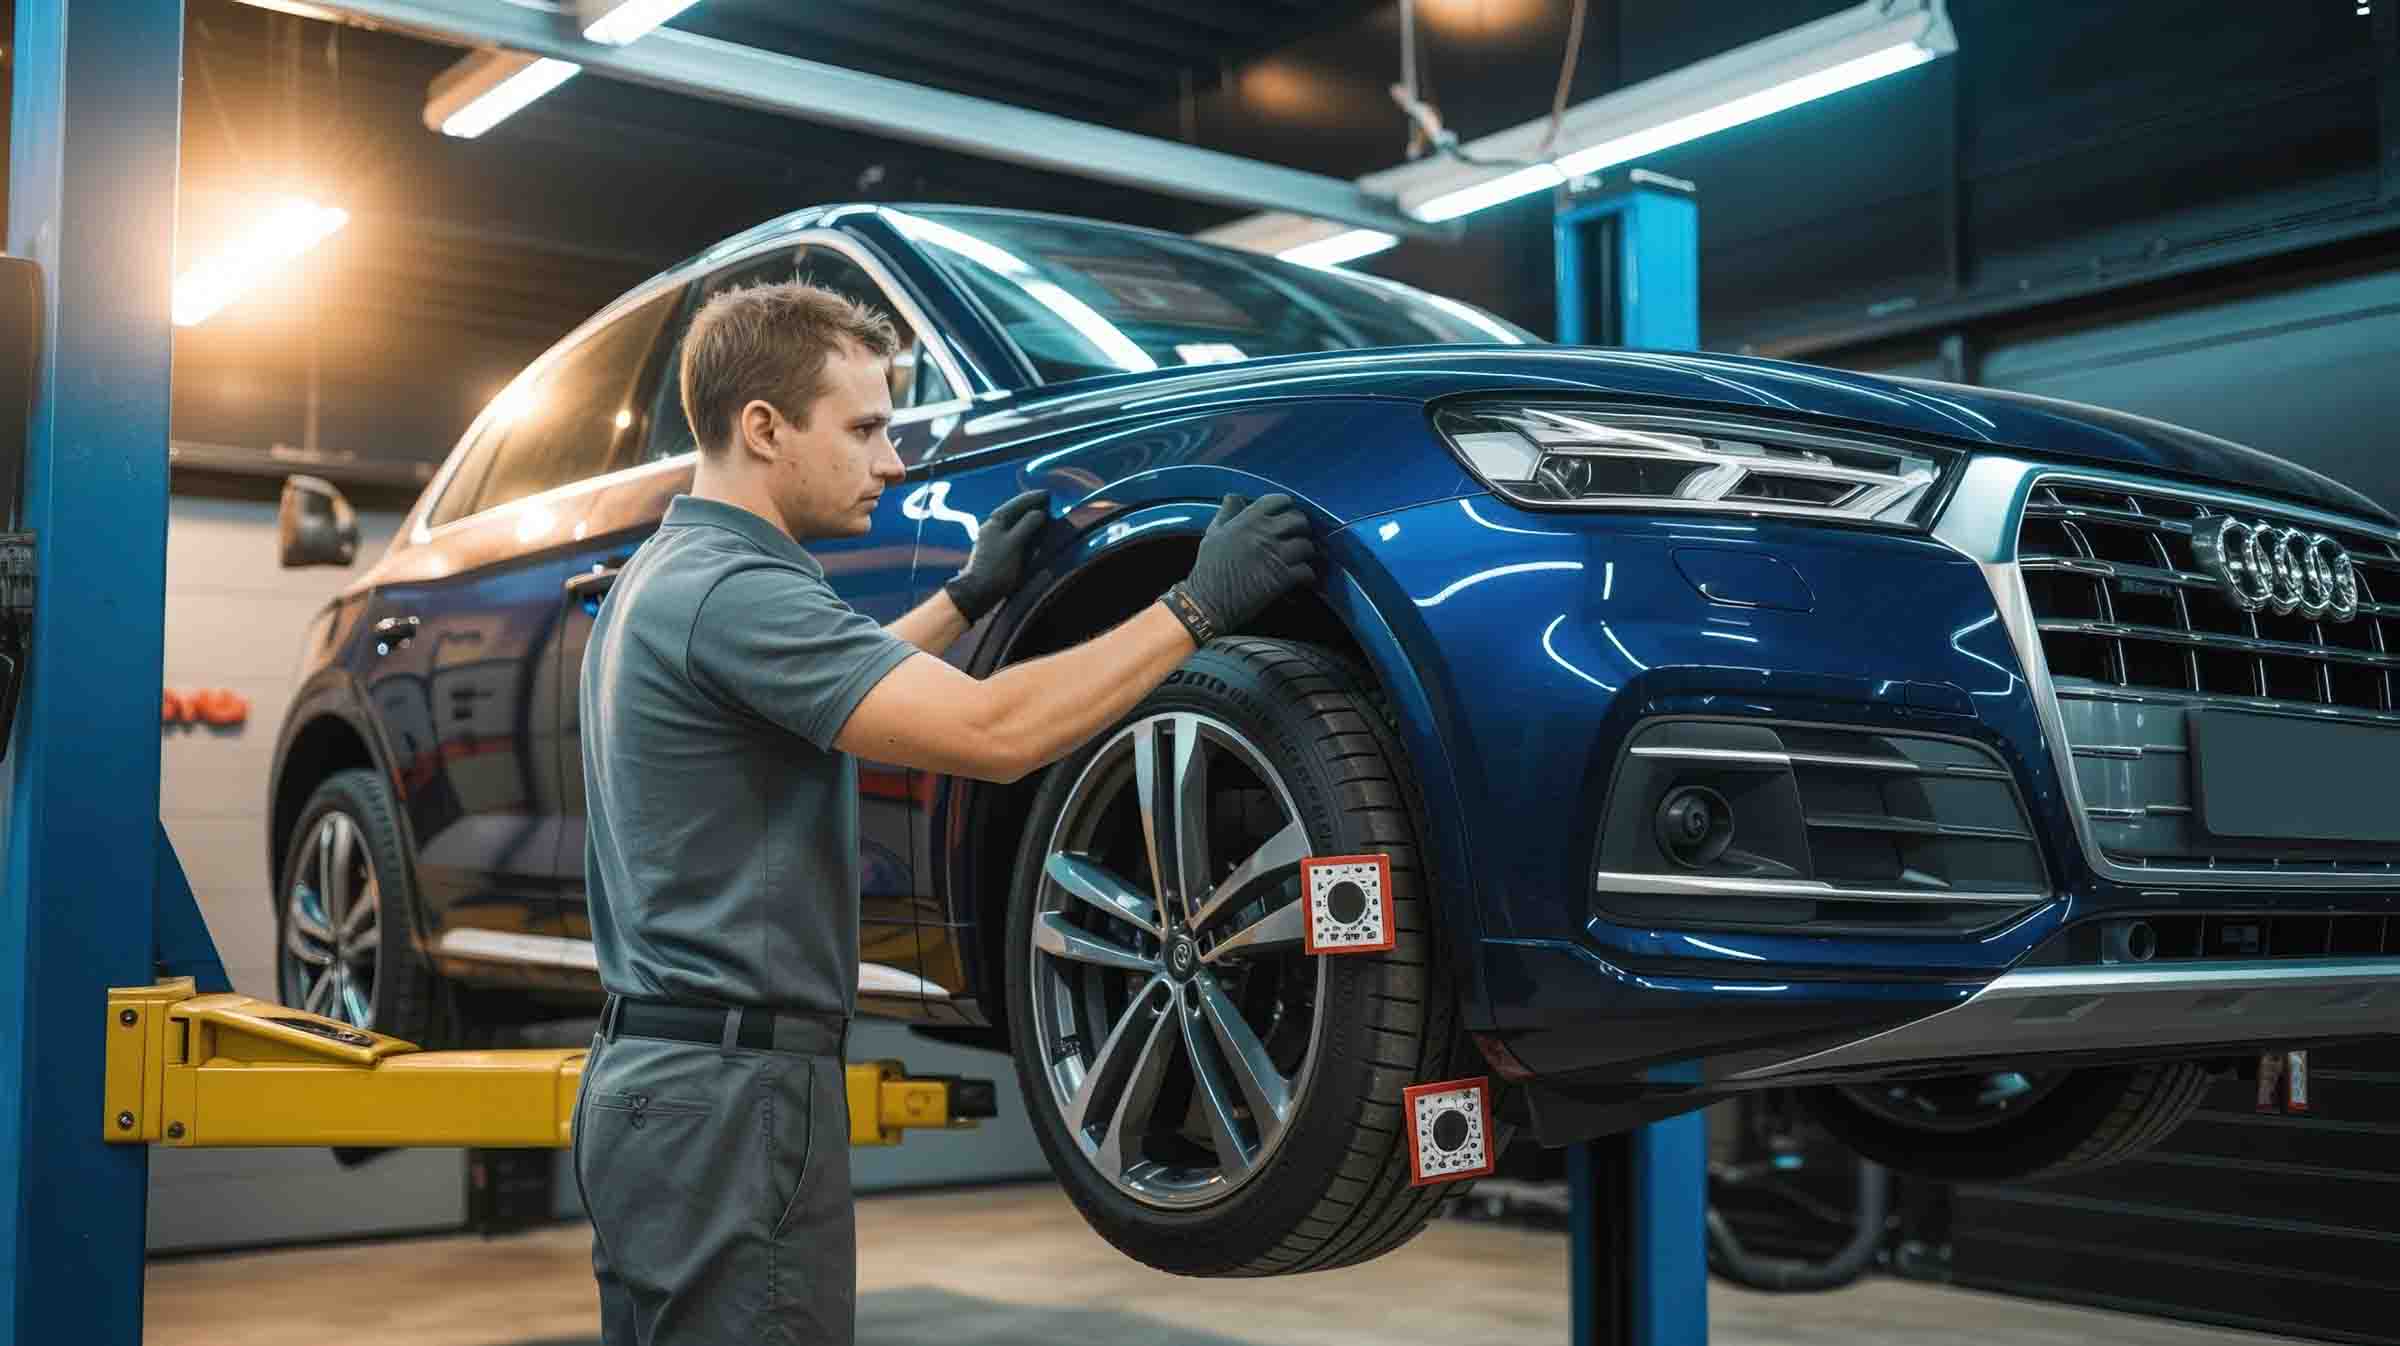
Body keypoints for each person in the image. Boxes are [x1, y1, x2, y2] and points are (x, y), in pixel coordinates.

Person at [569, 278, 1319, 1346]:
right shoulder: (738, 591)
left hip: (662, 1088)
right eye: (866, 426)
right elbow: (995, 731)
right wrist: (1193, 608)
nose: (893, 461)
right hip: (732, 1105)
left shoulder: (666, 576)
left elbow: (830, 689)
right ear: (764, 428)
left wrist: (967, 598)